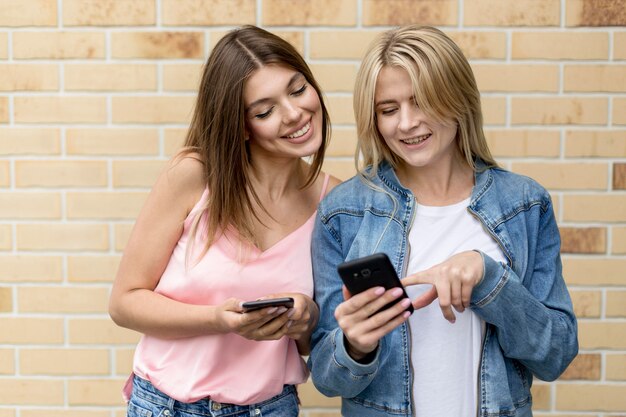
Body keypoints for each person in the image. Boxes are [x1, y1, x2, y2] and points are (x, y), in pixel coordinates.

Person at [308, 25, 578, 417]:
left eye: (422, 102)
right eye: (388, 109)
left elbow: (556, 355)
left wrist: (490, 279)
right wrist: (354, 345)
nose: (406, 123)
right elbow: (326, 378)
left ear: (458, 100)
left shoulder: (524, 204)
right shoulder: (343, 211)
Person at [109, 25, 339, 417]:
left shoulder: (334, 200)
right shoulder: (195, 175)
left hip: (271, 408)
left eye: (298, 89)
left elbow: (318, 346)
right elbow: (124, 302)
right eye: (265, 111)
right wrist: (218, 320)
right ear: (242, 126)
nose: (295, 113)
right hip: (167, 407)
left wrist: (306, 316)